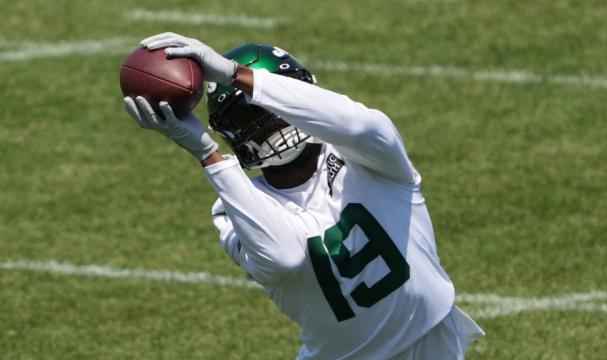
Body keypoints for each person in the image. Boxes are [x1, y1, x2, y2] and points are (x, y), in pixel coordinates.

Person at [123, 32, 484, 360]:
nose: (272, 123)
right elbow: (282, 257)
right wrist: (208, 154)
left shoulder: (366, 158)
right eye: (253, 117)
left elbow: (359, 124)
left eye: (277, 107)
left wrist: (239, 76)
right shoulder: (232, 206)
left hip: (434, 343)